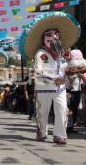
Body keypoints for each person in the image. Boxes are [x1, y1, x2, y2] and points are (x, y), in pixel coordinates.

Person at [19, 12, 81, 145]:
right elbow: (38, 71)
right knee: (43, 112)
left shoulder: (63, 54)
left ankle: (59, 135)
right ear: (43, 39)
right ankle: (42, 132)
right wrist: (53, 79)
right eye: (49, 35)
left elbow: (66, 69)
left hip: (60, 88)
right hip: (44, 87)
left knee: (62, 110)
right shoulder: (41, 54)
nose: (53, 37)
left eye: (56, 35)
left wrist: (71, 70)